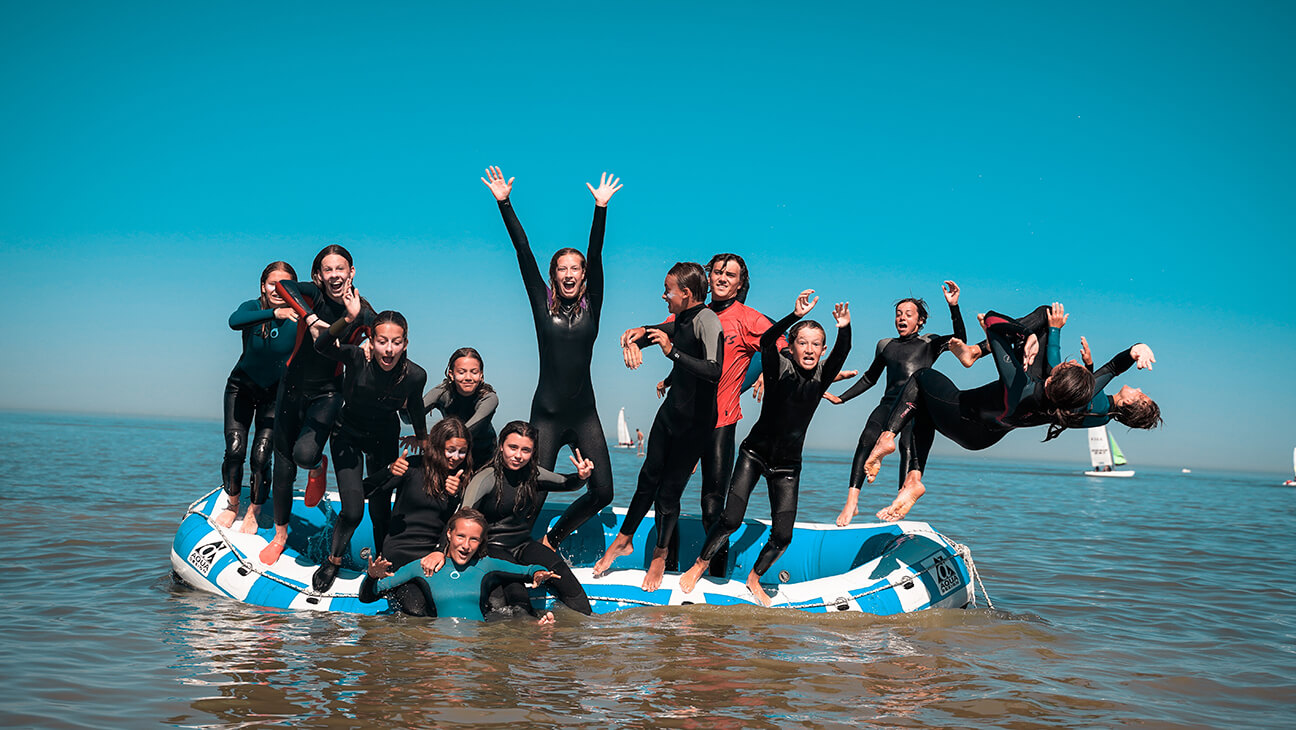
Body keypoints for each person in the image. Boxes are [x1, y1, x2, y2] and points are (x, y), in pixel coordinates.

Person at [679, 290, 851, 605]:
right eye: (803, 342)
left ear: (823, 350)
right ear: (793, 345)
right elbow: (768, 340)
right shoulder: (777, 370)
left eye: (816, 344)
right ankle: (700, 564)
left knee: (784, 536)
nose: (809, 349)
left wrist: (844, 328)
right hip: (754, 455)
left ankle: (754, 577)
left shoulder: (822, 377)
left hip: (787, 466)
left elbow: (845, 349)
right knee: (730, 520)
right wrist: (794, 316)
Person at [621, 253, 788, 576]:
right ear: (708, 278)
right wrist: (633, 338)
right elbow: (657, 331)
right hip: (686, 422)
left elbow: (782, 347)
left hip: (720, 423)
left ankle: (715, 576)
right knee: (667, 496)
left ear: (741, 284)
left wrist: (769, 372)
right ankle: (667, 567)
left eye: (731, 275)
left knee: (712, 507)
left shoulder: (749, 319)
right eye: (718, 272)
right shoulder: (695, 313)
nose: (723, 278)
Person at [482, 166, 622, 552]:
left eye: (575, 268)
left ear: (583, 274)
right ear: (553, 275)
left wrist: (600, 209)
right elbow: (523, 251)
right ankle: (505, 549)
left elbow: (597, 252)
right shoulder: (542, 305)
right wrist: (504, 202)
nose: (569, 273)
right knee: (533, 496)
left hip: (584, 413)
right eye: (562, 268)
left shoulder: (594, 304)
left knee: (604, 491)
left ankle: (553, 538)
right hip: (545, 414)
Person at [861, 307, 1095, 521]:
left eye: (1072, 365)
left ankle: (887, 437)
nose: (1073, 360)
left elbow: (993, 319)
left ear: (1055, 379)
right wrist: (1052, 333)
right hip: (981, 439)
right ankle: (913, 480)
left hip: (960, 412)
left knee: (921, 377)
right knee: (924, 407)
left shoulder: (1019, 383)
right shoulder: (1061, 408)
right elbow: (1095, 385)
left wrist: (1026, 334)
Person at [593, 262, 723, 591]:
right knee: (646, 478)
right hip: (669, 415)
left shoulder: (709, 320)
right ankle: (624, 540)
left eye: (668, 290)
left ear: (687, 293)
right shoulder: (679, 318)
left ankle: (660, 554)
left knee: (668, 495)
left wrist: (672, 353)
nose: (663, 295)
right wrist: (636, 335)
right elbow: (661, 330)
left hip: (695, 425)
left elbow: (713, 370)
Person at [260, 245, 375, 565]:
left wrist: (370, 350)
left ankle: (317, 466)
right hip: (291, 389)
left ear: (352, 273)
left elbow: (384, 334)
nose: (335, 275)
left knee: (304, 454)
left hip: (327, 394)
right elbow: (284, 286)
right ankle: (280, 536)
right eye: (328, 270)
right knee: (282, 465)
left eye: (341, 269)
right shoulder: (313, 296)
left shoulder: (363, 312)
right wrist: (310, 318)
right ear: (318, 276)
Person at [310, 295, 427, 593]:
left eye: (396, 342)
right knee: (353, 510)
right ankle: (334, 560)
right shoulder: (356, 358)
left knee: (380, 509)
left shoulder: (415, 375)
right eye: (382, 341)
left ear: (406, 343)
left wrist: (423, 437)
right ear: (371, 341)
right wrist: (347, 320)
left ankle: (382, 563)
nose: (389, 350)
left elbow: (414, 405)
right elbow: (321, 346)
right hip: (346, 433)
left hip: (384, 436)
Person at [827, 282, 966, 527]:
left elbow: (961, 341)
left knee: (907, 446)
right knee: (867, 439)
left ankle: (900, 504)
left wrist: (953, 307)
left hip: (917, 406)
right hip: (889, 403)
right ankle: (852, 502)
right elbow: (871, 378)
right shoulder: (885, 345)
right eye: (898, 314)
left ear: (920, 320)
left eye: (908, 314)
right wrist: (842, 397)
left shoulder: (929, 342)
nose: (901, 318)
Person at [458, 421, 595, 615]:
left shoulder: (532, 474)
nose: (518, 456)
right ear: (501, 446)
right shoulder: (486, 478)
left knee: (562, 574)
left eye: (525, 450)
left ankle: (587, 628)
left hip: (523, 545)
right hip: (491, 547)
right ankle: (526, 637)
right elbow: (461, 519)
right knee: (517, 595)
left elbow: (566, 483)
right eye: (512, 447)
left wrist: (581, 477)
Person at [948, 308, 1162, 431]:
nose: (1139, 388)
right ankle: (990, 342)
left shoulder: (1099, 404)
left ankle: (975, 351)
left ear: (1127, 404)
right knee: (1027, 335)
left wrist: (1055, 330)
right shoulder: (1101, 416)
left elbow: (1057, 373)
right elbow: (1077, 398)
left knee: (1047, 313)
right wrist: (1088, 367)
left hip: (1032, 392)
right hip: (1024, 411)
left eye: (1140, 395)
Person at [216, 261, 299, 532]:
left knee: (261, 456)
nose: (278, 289)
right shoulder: (253, 308)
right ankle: (232, 504)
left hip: (275, 393)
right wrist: (275, 313)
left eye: (285, 285)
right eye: (272, 283)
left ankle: (254, 509)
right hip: (241, 387)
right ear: (263, 285)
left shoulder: (300, 315)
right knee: (235, 449)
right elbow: (233, 321)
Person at [361, 509, 556, 623]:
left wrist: (538, 572)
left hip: (480, 644)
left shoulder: (486, 565)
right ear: (449, 535)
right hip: (438, 647)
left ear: (481, 542)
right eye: (460, 536)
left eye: (474, 539)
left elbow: (526, 570)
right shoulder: (422, 567)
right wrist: (371, 576)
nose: (465, 545)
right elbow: (367, 597)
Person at [367, 417, 472, 575]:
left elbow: (457, 524)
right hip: (400, 549)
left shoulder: (464, 478)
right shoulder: (413, 467)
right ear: (437, 446)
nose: (456, 457)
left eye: (462, 452)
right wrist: (389, 470)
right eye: (450, 450)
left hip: (435, 553)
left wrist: (457, 495)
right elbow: (364, 491)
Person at [421, 347, 499, 468]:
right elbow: (408, 417)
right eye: (462, 372)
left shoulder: (488, 398)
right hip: (452, 455)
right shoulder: (442, 393)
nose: (468, 377)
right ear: (451, 374)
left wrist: (430, 438)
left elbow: (465, 433)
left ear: (481, 375)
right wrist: (420, 434)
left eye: (474, 372)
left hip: (483, 459)